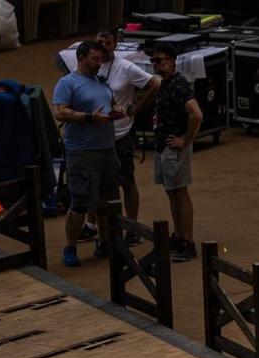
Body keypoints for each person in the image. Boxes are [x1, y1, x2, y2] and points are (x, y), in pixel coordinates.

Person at [77, 29, 160, 248]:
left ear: (115, 45)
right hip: (94, 135)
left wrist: (136, 109)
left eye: (107, 42)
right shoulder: (90, 64)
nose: (102, 46)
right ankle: (91, 224)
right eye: (99, 42)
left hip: (120, 135)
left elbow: (155, 84)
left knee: (126, 181)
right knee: (95, 182)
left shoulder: (126, 68)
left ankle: (132, 227)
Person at [52, 40, 122, 267]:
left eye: (101, 59)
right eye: (94, 59)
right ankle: (70, 247)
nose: (98, 63)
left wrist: (116, 111)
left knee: (105, 201)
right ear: (81, 58)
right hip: (82, 152)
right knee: (80, 202)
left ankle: (103, 242)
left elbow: (110, 105)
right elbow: (60, 113)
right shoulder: (68, 83)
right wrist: (89, 118)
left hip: (106, 150)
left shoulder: (102, 83)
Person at [150, 43, 203, 262]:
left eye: (160, 60)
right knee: (172, 192)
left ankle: (188, 242)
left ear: (172, 61)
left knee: (180, 193)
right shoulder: (164, 83)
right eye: (153, 61)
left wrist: (186, 140)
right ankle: (179, 236)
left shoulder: (179, 84)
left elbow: (196, 115)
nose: (156, 64)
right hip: (164, 145)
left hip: (174, 147)